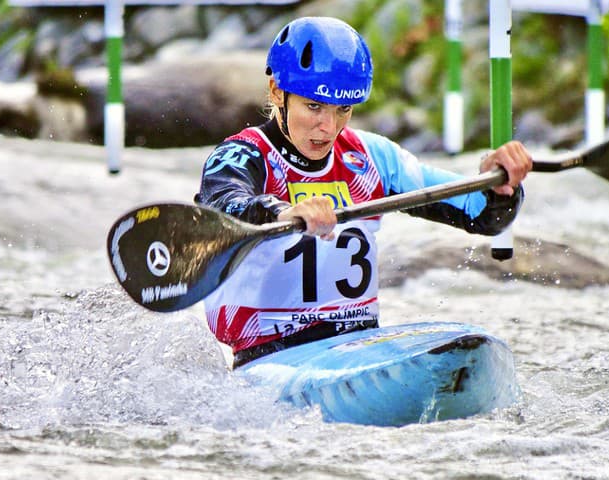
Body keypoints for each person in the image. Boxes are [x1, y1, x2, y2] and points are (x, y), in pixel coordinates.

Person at [195, 16, 532, 369]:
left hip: (358, 349)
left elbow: (480, 215)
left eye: (343, 109)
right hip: (271, 360)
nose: (328, 127)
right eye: (314, 106)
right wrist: (282, 212)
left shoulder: (372, 157)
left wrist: (499, 185)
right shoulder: (242, 155)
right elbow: (221, 206)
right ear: (278, 91)